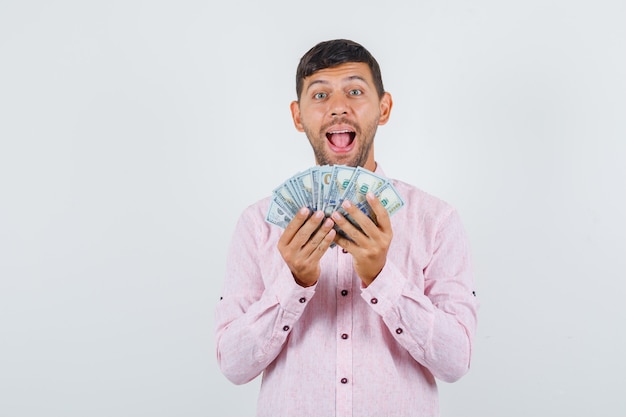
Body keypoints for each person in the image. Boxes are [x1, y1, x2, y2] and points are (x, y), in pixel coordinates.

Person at [215, 39, 478, 417]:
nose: (338, 107)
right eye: (320, 95)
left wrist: (382, 278)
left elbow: (456, 362)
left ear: (383, 108)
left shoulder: (435, 220)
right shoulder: (258, 223)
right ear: (297, 115)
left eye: (355, 91)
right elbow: (233, 366)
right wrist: (294, 283)